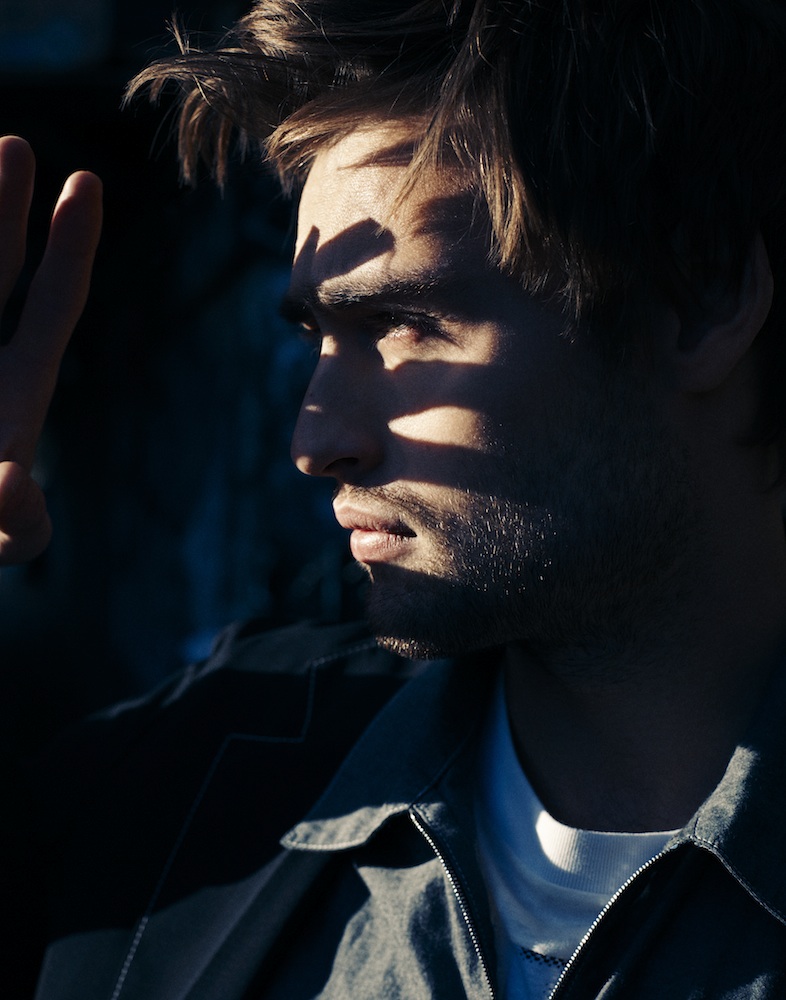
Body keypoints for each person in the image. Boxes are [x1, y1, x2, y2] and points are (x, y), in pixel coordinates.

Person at [4, 0, 786, 996]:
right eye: (318, 337)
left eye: (405, 323)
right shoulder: (181, 789)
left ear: (700, 300)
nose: (316, 441)